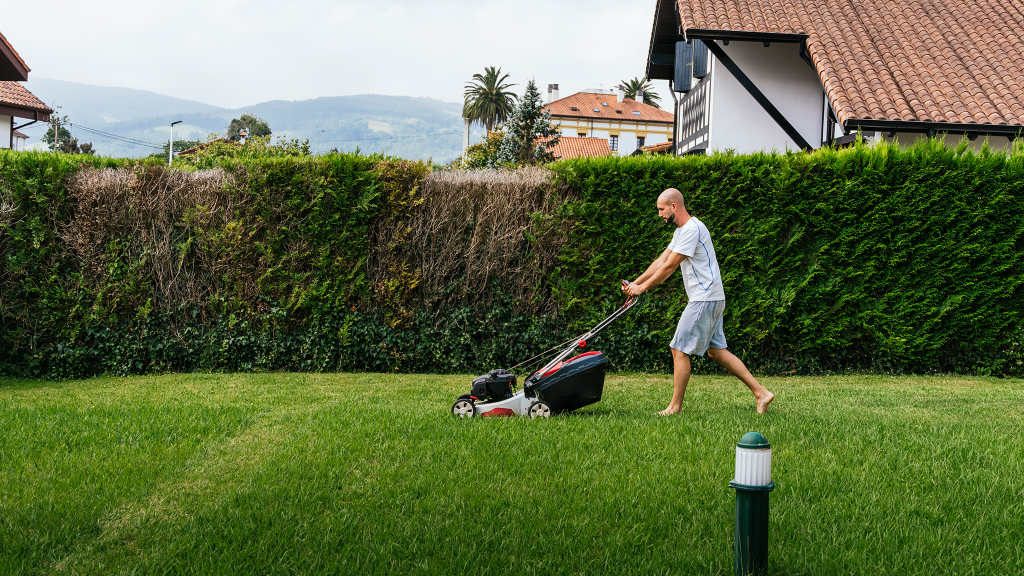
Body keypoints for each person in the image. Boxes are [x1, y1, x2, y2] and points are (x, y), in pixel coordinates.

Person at [623, 188, 774, 415]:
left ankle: (675, 407)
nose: (659, 214)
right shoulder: (682, 231)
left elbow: (670, 267)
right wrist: (634, 283)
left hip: (704, 298)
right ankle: (761, 393)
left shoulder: (693, 229)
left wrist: (643, 288)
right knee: (717, 351)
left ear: (674, 206)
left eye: (661, 209)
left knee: (678, 348)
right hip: (711, 297)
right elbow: (660, 260)